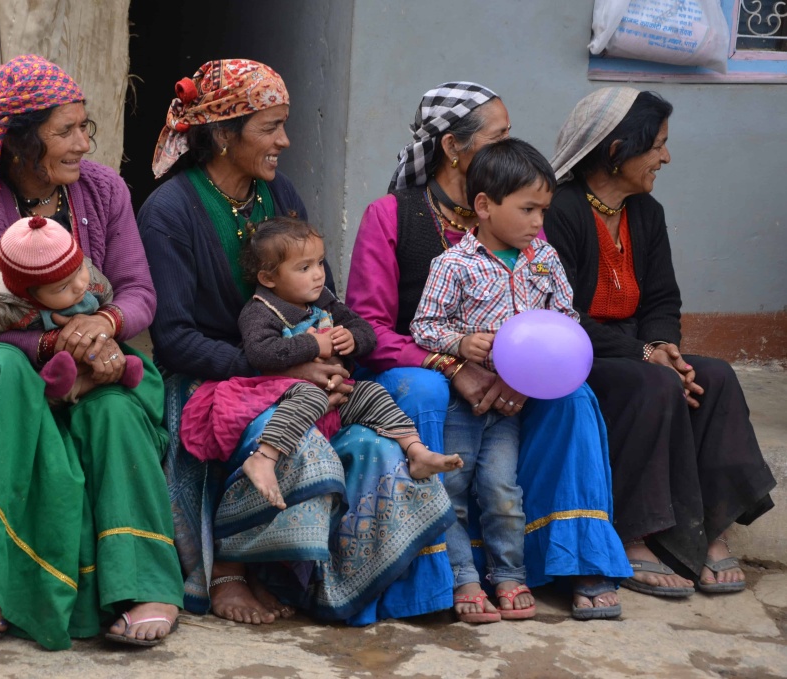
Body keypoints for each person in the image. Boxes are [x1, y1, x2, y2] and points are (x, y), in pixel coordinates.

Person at [139, 59, 456, 627]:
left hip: (299, 367)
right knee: (294, 444)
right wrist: (276, 371)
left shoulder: (278, 193)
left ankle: (319, 579)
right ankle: (231, 570)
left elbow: (323, 293)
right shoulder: (169, 211)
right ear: (221, 133)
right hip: (214, 378)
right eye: (270, 127)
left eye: (284, 124)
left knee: (382, 447)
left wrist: (333, 346)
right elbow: (175, 340)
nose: (284, 140)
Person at [0, 54, 183, 650]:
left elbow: (138, 291)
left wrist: (103, 324)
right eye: (65, 131)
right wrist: (51, 341)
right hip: (3, 380)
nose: (83, 143)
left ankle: (143, 582)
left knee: (114, 409)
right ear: (23, 143)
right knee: (2, 367)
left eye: (85, 128)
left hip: (94, 362)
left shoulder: (104, 191)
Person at [346, 81, 632, 621]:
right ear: (454, 147)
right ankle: (438, 571)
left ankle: (575, 558)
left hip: (512, 377)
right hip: (418, 366)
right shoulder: (391, 215)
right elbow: (369, 327)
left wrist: (523, 370)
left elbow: (558, 320)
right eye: (499, 134)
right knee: (426, 390)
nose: (511, 143)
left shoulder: (532, 241)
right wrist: (452, 364)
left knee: (571, 396)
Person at [544, 87, 776, 598]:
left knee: (714, 375)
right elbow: (561, 313)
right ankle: (633, 533)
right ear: (616, 150)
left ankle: (708, 528)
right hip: (578, 353)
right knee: (651, 384)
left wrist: (664, 345)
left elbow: (663, 298)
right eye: (658, 146)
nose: (666, 157)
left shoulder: (645, 212)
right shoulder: (560, 211)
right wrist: (644, 355)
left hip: (636, 348)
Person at [180, 216, 462, 509]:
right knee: (310, 395)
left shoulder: (323, 301)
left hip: (333, 390)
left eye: (319, 263)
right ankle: (264, 457)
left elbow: (366, 331)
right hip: (280, 390)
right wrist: (314, 343)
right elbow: (260, 353)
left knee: (371, 393)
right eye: (304, 268)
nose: (318, 274)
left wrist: (352, 339)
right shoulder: (260, 311)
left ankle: (415, 451)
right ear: (268, 278)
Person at [411, 138, 577, 623]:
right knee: (455, 488)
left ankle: (508, 574)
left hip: (509, 407)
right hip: (463, 404)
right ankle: (462, 575)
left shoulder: (544, 261)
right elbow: (425, 326)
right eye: (528, 209)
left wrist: (526, 377)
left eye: (543, 210)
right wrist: (462, 345)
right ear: (483, 206)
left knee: (503, 490)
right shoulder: (452, 265)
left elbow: (566, 320)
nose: (537, 223)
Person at [0, 215, 143, 403]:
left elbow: (109, 299)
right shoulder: (8, 307)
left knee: (102, 370)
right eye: (62, 287)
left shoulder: (91, 282)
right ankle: (56, 387)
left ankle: (118, 373)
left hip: (84, 355)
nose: (80, 285)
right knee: (55, 390)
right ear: (29, 294)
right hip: (39, 366)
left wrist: (104, 321)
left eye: (79, 269)